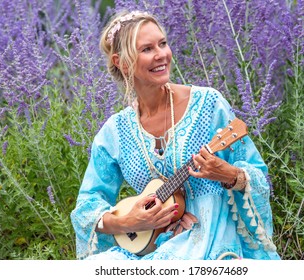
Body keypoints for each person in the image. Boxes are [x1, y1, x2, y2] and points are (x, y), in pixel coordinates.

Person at [70, 10, 280, 260]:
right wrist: (130, 222)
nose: (162, 55)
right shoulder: (115, 132)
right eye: (147, 49)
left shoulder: (208, 104)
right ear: (122, 62)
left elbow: (257, 174)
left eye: (163, 43)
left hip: (212, 239)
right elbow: (87, 205)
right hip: (153, 246)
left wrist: (227, 173)